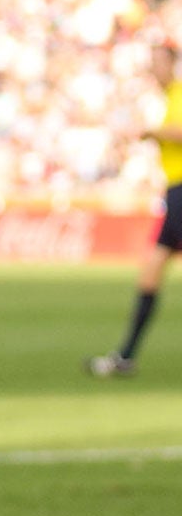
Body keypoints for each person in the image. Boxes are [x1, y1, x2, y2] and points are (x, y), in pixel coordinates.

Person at [88, 40, 182, 378]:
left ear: (172, 63)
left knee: (153, 269)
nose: (154, 68)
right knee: (151, 271)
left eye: (159, 61)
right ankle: (126, 356)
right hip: (174, 193)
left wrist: (151, 131)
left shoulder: (179, 94)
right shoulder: (168, 97)